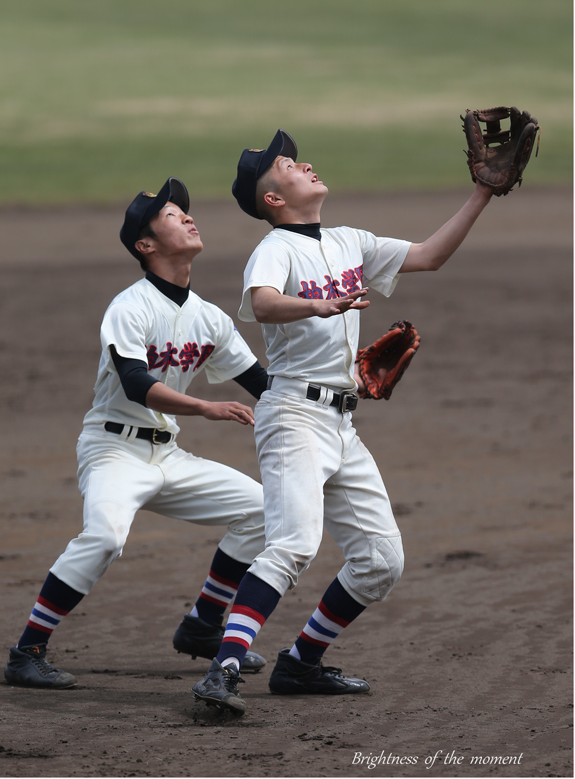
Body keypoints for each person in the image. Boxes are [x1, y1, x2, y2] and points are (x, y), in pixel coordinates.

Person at [192, 128, 496, 716]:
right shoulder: (277, 247)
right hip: (293, 417)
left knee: (382, 561)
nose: (302, 163)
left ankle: (302, 662)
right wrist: (319, 305)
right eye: (285, 164)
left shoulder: (350, 241)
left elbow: (429, 256)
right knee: (295, 543)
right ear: (272, 199)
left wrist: (482, 192)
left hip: (341, 425)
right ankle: (224, 668)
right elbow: (261, 303)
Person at [4, 177, 271, 689]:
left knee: (261, 510)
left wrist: (333, 388)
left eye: (185, 212)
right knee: (104, 537)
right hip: (112, 450)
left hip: (168, 457)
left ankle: (201, 626)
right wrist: (204, 407)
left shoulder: (208, 317)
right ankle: (27, 650)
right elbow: (134, 383)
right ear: (144, 246)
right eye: (171, 215)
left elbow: (262, 383)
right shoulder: (130, 307)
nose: (188, 217)